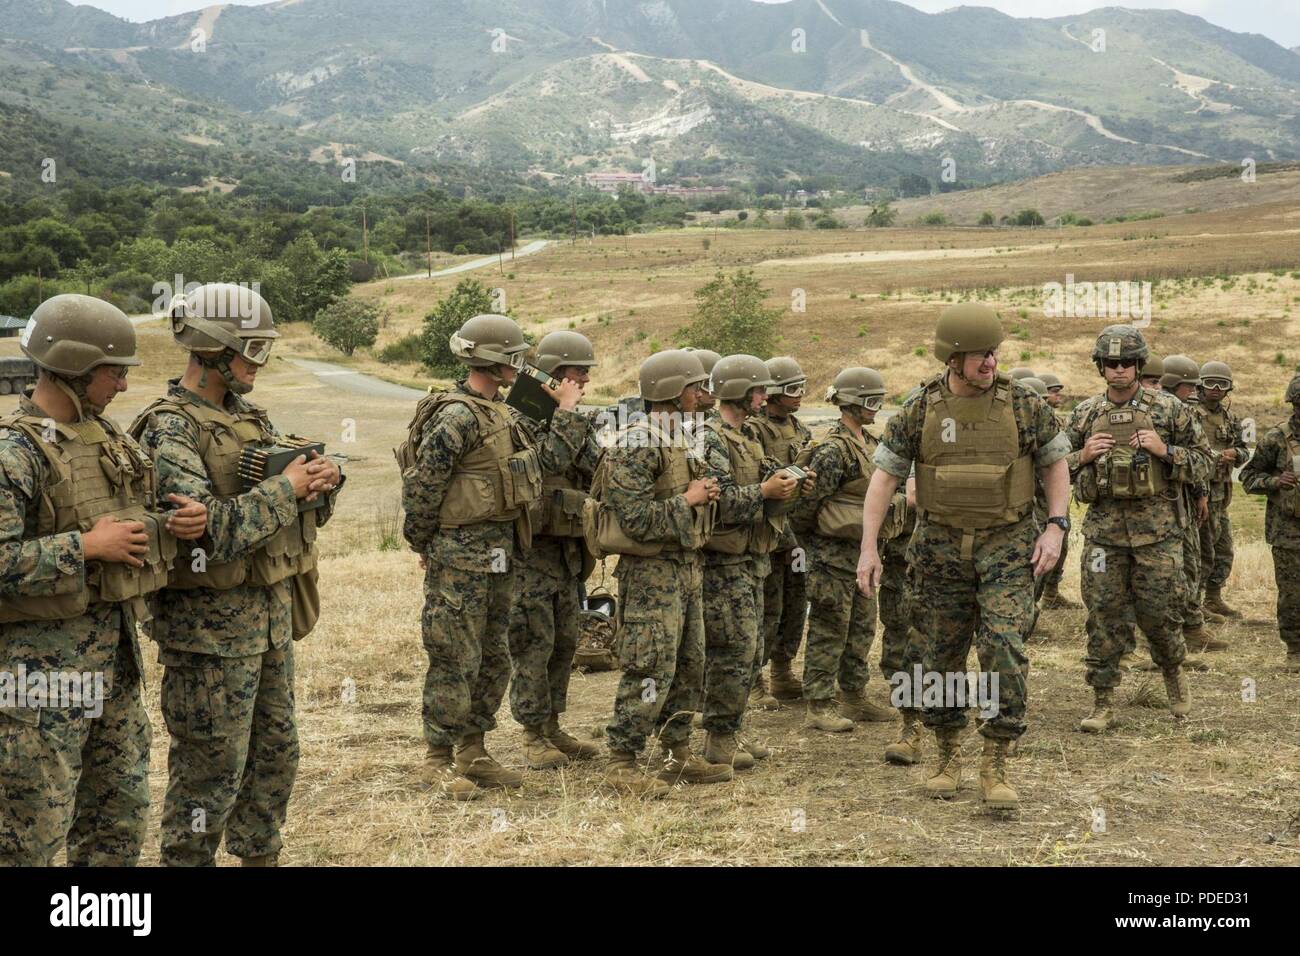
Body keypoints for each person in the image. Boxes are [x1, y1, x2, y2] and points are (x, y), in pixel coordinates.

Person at [133, 283, 341, 866]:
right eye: (251, 350)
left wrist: (321, 484)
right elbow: (206, 532)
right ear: (212, 349)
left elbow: (287, 508)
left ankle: (259, 858)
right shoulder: (169, 429)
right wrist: (287, 488)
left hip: (270, 620)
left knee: (276, 756)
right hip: (208, 635)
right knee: (210, 771)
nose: (259, 363)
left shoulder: (249, 418)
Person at [0, 295, 202, 866]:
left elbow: (127, 518)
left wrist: (172, 523)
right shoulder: (14, 454)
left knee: (117, 817)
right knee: (31, 829)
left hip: (112, 662)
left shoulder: (109, 439)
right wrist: (85, 548)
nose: (122, 386)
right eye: (114, 373)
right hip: (39, 676)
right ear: (73, 368)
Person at [858, 304, 1070, 810]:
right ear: (953, 357)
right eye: (979, 355)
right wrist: (869, 547)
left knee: (1004, 649)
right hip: (939, 549)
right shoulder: (919, 408)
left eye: (994, 353)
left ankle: (996, 759)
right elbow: (884, 479)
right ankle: (946, 753)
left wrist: (1057, 527)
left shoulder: (1024, 405)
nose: (990, 362)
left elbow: (1056, 465)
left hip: (1008, 545)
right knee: (940, 657)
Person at [400, 314, 583, 800]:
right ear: (495, 360)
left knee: (492, 656)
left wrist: (563, 412)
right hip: (460, 559)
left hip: (503, 555)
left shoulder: (500, 413)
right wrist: (425, 545)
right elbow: (422, 486)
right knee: (453, 656)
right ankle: (437, 759)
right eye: (514, 357)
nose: (521, 366)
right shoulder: (457, 415)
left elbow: (545, 467)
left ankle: (473, 751)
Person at [1064, 327, 1213, 735]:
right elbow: (1054, 468)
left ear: (1139, 364)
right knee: (1103, 616)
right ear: (1100, 367)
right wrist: (1082, 454)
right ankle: (1103, 700)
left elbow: (1206, 462)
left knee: (1161, 613)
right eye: (1110, 363)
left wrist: (1165, 452)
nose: (1118, 370)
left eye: (1127, 362)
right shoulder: (1084, 414)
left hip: (1159, 534)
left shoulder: (1169, 410)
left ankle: (1173, 674)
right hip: (1103, 537)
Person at [592, 349, 724, 795]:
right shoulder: (636, 441)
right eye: (695, 386)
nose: (703, 394)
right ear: (671, 390)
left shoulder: (679, 437)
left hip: (684, 568)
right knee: (648, 667)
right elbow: (634, 520)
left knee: (690, 665)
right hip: (651, 575)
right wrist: (689, 499)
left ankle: (675, 754)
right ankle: (622, 762)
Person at [696, 354, 799, 770]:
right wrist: (765, 492)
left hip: (752, 560)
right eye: (757, 390)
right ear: (738, 392)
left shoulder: (747, 437)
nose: (764, 396)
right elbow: (717, 504)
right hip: (723, 564)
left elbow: (767, 478)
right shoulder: (710, 438)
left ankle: (731, 727)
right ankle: (718, 738)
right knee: (731, 650)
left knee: (751, 648)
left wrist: (793, 480)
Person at [506, 331, 602, 770]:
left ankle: (553, 724)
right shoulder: (521, 412)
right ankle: (531, 732)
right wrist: (564, 412)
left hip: (565, 549)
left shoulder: (570, 415)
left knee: (565, 639)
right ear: (556, 372)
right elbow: (548, 464)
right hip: (530, 550)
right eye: (579, 371)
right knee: (534, 641)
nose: (584, 379)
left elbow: (590, 467)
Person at [793, 368, 904, 734]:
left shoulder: (870, 445)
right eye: (870, 401)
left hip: (864, 553)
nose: (877, 408)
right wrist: (819, 541)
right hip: (832, 556)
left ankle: (853, 696)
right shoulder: (832, 449)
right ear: (851, 403)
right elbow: (807, 507)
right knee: (829, 628)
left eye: (880, 400)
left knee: (861, 627)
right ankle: (819, 704)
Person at [746, 356, 813, 706]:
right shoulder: (753, 429)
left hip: (797, 531)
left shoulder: (801, 428)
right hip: (768, 532)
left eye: (802, 387)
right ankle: (754, 677)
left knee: (795, 603)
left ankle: (782, 671)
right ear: (771, 393)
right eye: (792, 389)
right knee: (766, 606)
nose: (799, 395)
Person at [1239, 374, 1300, 672]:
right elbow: (1247, 478)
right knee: (1292, 593)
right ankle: (1295, 649)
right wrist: (1276, 481)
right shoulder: (1276, 439)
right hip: (1288, 532)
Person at [1195, 361, 1250, 619]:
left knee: (1224, 550)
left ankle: (1213, 598)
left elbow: (1243, 450)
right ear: (1200, 385)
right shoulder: (1190, 414)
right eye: (1210, 384)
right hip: (1200, 494)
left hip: (1221, 494)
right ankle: (1194, 605)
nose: (1215, 389)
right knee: (1202, 552)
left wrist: (1233, 453)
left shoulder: (1229, 417)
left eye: (1222, 385)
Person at [1036, 373, 1079, 610]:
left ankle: (1051, 594)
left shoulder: (1053, 423)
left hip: (1053, 500)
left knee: (1060, 548)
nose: (1056, 396)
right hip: (1034, 501)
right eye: (1052, 391)